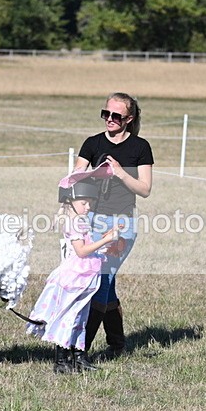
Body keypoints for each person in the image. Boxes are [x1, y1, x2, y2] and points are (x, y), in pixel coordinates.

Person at [74, 92, 154, 360]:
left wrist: (120, 172)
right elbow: (74, 180)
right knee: (103, 282)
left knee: (101, 281)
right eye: (105, 114)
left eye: (116, 116)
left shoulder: (140, 147)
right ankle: (118, 344)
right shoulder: (92, 143)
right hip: (92, 221)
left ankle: (79, 351)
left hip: (122, 224)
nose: (109, 119)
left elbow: (144, 189)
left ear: (129, 119)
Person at [26, 168, 120, 374]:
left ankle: (77, 358)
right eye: (84, 203)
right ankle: (61, 361)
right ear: (71, 202)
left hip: (85, 277)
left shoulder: (80, 220)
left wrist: (104, 246)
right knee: (68, 317)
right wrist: (105, 240)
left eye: (90, 202)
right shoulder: (74, 223)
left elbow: (87, 247)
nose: (88, 206)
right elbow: (81, 251)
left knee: (79, 318)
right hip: (75, 278)